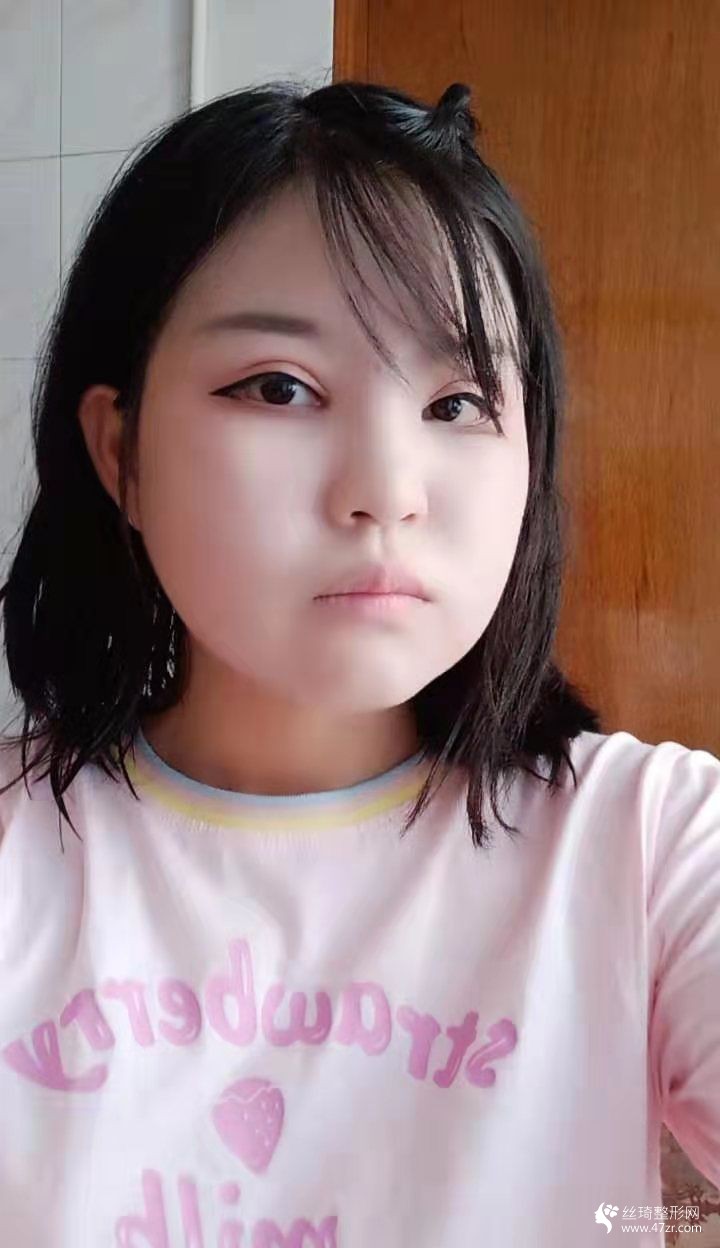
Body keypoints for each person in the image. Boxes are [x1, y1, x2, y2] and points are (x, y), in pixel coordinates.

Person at [0, 77, 717, 1248]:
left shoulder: (654, 848)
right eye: (279, 388)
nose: (386, 490)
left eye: (458, 401)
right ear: (121, 453)